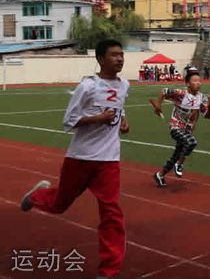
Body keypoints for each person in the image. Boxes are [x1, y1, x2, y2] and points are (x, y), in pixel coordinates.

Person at [20, 39, 130, 279]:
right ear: (100, 59)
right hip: (80, 157)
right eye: (114, 55)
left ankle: (108, 271)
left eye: (121, 54)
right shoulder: (88, 87)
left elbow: (119, 106)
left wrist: (122, 120)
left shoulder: (125, 85)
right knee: (60, 204)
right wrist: (97, 119)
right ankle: (36, 196)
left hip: (109, 160)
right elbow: (69, 121)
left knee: (112, 213)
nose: (120, 59)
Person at [152, 68, 210, 187]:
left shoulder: (202, 98)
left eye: (199, 81)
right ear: (187, 83)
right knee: (191, 142)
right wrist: (158, 106)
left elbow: (208, 116)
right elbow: (163, 91)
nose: (198, 83)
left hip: (187, 130)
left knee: (176, 154)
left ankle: (160, 174)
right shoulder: (181, 94)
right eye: (194, 81)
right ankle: (179, 164)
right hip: (176, 127)